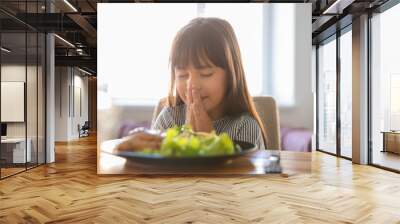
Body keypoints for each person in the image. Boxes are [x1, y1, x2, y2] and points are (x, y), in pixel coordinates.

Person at [116, 17, 267, 152]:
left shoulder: (245, 127)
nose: (192, 85)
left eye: (206, 73)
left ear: (231, 74)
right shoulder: (169, 118)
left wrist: (207, 141)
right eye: (182, 75)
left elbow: (245, 183)